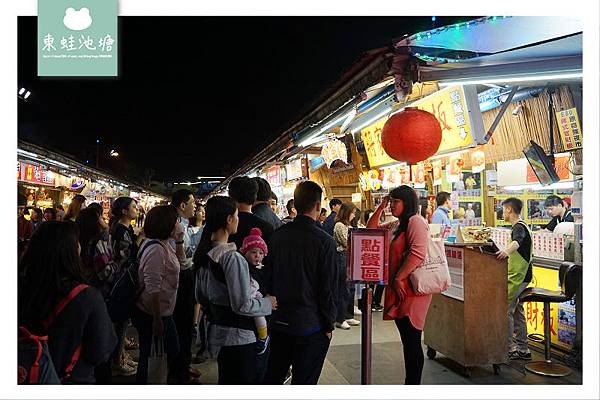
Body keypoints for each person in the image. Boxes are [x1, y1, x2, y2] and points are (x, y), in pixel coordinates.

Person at [18, 221, 117, 384]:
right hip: (73, 379)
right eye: (77, 242)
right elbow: (101, 351)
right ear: (69, 250)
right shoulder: (86, 296)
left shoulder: (20, 286)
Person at [194, 196, 275, 384]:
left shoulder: (203, 254)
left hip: (219, 335)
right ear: (229, 220)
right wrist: (267, 303)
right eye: (237, 216)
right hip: (239, 337)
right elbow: (242, 304)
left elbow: (200, 297)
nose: (238, 220)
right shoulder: (232, 258)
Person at [263, 181, 337, 385]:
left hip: (278, 322)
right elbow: (327, 288)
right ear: (317, 206)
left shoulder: (276, 237)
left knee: (274, 377)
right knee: (305, 381)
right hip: (311, 325)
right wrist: (329, 323)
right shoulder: (324, 241)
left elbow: (266, 277)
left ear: (295, 204)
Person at [367, 186, 431, 384]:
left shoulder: (415, 221)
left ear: (407, 203)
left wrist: (398, 277)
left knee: (412, 340)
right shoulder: (397, 224)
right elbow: (371, 230)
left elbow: (418, 254)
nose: (392, 205)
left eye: (396, 201)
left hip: (411, 290)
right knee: (407, 340)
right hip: (400, 288)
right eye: (391, 201)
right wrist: (380, 206)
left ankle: (412, 384)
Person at [132, 205, 184, 384]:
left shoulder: (163, 243)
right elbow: (152, 287)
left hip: (160, 312)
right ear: (167, 223)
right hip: (151, 312)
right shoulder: (156, 249)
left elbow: (182, 263)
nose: (178, 224)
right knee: (152, 356)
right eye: (176, 220)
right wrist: (157, 319)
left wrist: (179, 241)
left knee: (164, 351)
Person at [169, 189, 200, 384]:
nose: (195, 206)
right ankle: (180, 372)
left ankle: (182, 366)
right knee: (183, 324)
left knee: (183, 325)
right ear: (182, 205)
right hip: (181, 278)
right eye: (192, 203)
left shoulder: (183, 224)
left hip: (183, 276)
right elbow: (182, 257)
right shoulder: (177, 226)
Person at [496, 198, 533, 361]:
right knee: (517, 310)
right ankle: (523, 349)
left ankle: (509, 348)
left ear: (509, 209)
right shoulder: (521, 226)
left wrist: (505, 251)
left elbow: (517, 242)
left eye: (503, 209)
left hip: (520, 276)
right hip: (521, 275)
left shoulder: (518, 227)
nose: (502, 212)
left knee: (506, 309)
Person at [109, 196, 140, 377]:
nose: (137, 209)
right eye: (134, 207)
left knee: (123, 320)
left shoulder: (124, 227)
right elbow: (126, 254)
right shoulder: (120, 229)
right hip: (121, 278)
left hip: (125, 277)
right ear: (124, 211)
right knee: (120, 320)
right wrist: (141, 237)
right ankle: (117, 360)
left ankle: (121, 354)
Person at [228, 176, 274, 290]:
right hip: (258, 289)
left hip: (229, 286)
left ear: (231, 197)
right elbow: (270, 263)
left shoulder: (226, 225)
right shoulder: (266, 227)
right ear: (255, 197)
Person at [239, 228, 271, 354]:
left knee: (259, 317)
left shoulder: (264, 269)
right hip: (251, 300)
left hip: (259, 301)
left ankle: (263, 337)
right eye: (253, 252)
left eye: (261, 253)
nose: (257, 255)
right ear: (245, 252)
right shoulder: (244, 268)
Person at [333, 202, 360, 330]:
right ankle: (340, 318)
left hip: (351, 257)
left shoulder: (349, 225)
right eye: (353, 212)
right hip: (342, 257)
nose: (354, 215)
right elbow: (346, 242)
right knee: (343, 289)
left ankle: (348, 315)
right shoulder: (339, 225)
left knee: (351, 288)